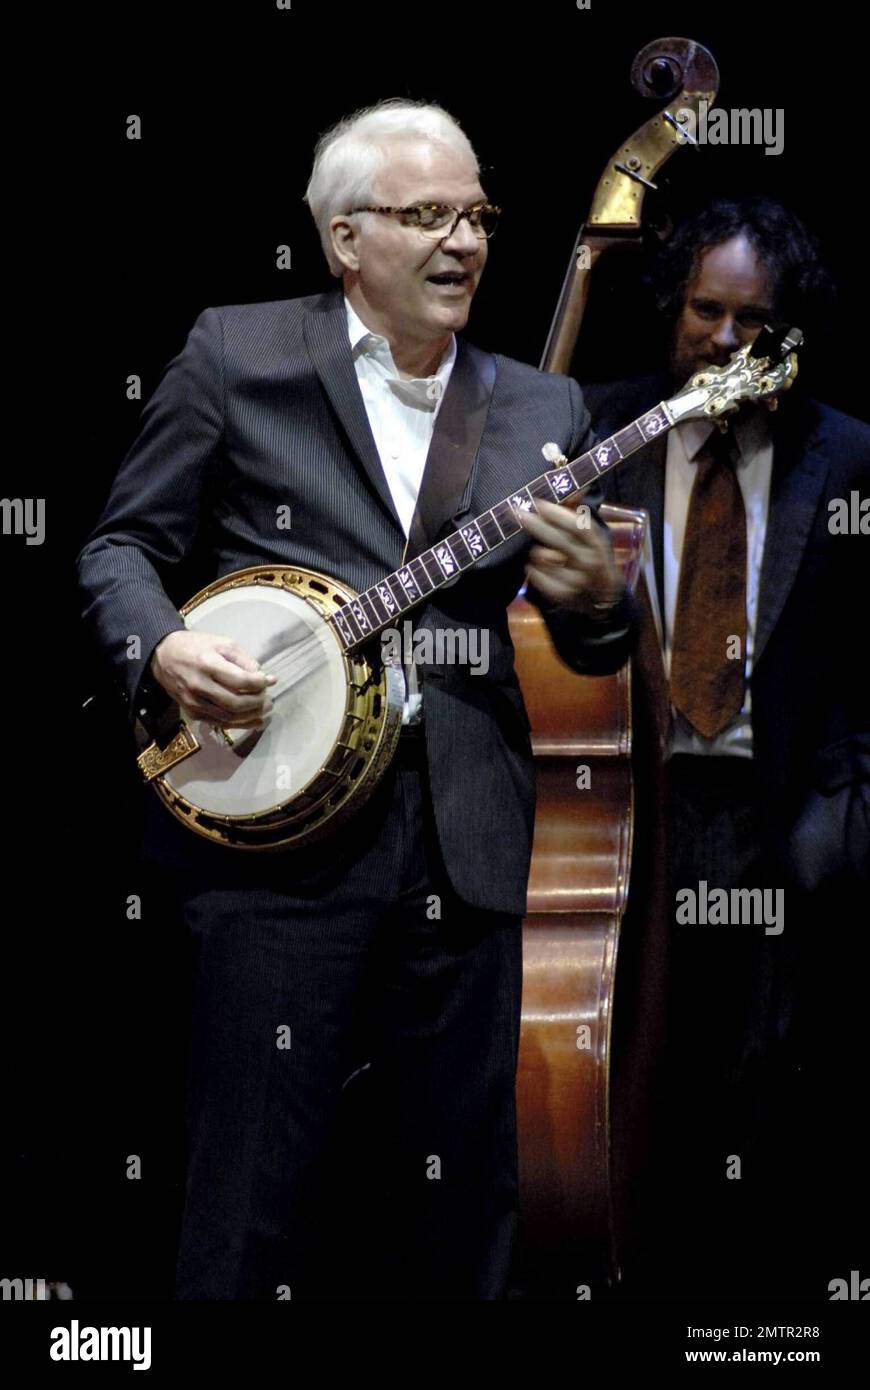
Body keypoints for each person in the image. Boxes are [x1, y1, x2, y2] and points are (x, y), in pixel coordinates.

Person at [76, 98, 634, 1301]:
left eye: (477, 214)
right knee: (251, 1200)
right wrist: (164, 649)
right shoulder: (239, 353)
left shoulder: (544, 406)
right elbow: (119, 549)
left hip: (469, 847)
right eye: (427, 215)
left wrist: (597, 602)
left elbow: (593, 646)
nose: (465, 241)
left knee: (462, 1216)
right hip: (275, 850)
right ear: (343, 240)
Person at [583, 196, 870, 1298]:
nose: (722, 340)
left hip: (779, 816)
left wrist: (846, 822)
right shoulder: (598, 428)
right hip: (628, 806)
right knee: (633, 1080)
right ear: (673, 308)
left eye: (753, 320)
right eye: (705, 310)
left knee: (770, 1090)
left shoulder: (844, 456)